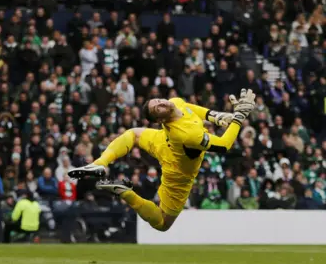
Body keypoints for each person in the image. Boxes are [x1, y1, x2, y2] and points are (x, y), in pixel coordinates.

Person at [68, 89, 256, 232]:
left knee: (133, 134)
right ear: (160, 120)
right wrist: (238, 117)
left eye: (157, 100)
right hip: (178, 169)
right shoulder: (188, 135)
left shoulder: (175, 102)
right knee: (162, 223)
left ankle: (100, 163)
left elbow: (191, 108)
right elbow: (224, 145)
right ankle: (125, 193)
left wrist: (216, 116)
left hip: (161, 141)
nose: (161, 102)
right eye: (157, 107)